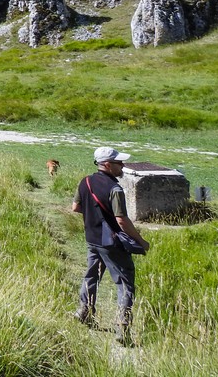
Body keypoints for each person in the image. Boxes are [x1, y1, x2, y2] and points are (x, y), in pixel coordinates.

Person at [71, 146, 150, 346]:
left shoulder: (85, 181)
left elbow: (76, 207)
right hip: (111, 242)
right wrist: (141, 242)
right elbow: (121, 220)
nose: (122, 165)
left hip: (92, 239)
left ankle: (83, 312)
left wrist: (95, 217)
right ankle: (122, 327)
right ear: (107, 165)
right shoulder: (115, 189)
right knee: (125, 282)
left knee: (91, 275)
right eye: (118, 163)